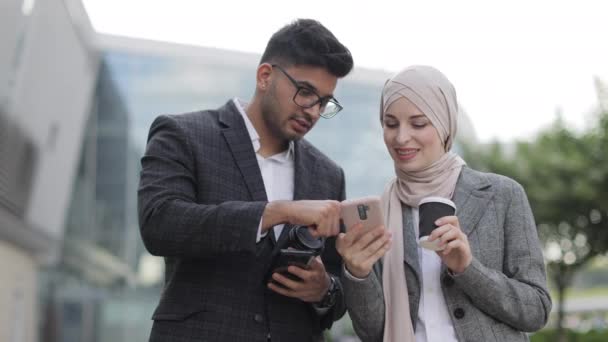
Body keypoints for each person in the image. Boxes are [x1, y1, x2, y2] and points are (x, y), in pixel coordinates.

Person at [137, 19, 354, 342]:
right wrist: (277, 212)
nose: (312, 111)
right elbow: (160, 224)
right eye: (305, 92)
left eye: (324, 102)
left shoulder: (328, 174)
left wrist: (324, 289)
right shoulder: (184, 135)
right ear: (265, 76)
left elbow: (338, 288)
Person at [336, 65, 552, 342]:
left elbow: (536, 310)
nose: (401, 137)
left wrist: (467, 268)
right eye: (391, 124)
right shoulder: (383, 211)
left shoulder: (501, 195)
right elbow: (374, 332)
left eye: (418, 123)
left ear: (444, 124)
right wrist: (358, 274)